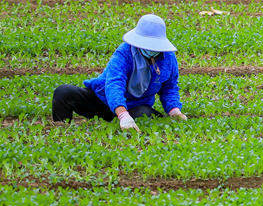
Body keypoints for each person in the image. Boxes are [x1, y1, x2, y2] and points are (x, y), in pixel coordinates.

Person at [52, 14, 187, 132]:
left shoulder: (168, 58)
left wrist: (174, 110)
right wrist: (122, 114)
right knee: (64, 92)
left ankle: (131, 126)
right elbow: (114, 84)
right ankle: (62, 130)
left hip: (134, 106)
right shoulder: (124, 53)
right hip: (102, 100)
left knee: (144, 114)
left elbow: (169, 87)